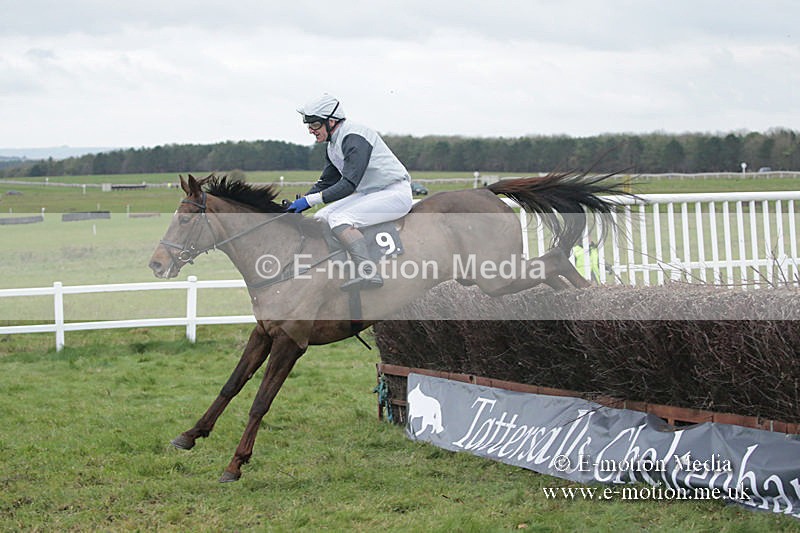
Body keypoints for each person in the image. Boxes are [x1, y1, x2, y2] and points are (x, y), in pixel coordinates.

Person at [288, 94, 413, 291]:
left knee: (339, 218)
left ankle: (368, 272)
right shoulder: (332, 145)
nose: (311, 130)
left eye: (315, 125)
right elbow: (327, 181)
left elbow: (348, 184)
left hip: (393, 193)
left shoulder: (354, 136)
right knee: (321, 217)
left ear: (331, 121)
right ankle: (342, 268)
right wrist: (301, 201)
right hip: (370, 194)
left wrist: (309, 201)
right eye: (308, 125)